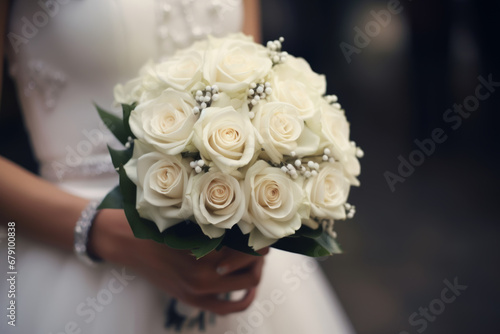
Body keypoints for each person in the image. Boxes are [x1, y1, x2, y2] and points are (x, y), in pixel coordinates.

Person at [0, 1, 355, 333]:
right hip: (69, 258)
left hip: (227, 257)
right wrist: (101, 231)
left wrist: (252, 214)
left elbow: (254, 87)